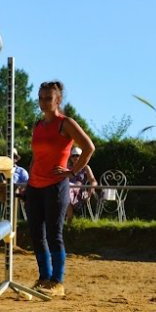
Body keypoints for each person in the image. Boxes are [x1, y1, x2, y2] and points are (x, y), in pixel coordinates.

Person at [26, 80, 94, 297]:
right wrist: (29, 178)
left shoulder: (66, 123)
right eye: (41, 98)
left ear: (58, 100)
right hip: (34, 185)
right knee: (36, 234)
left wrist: (72, 172)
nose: (43, 102)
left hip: (56, 186)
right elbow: (36, 156)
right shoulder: (38, 125)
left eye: (48, 98)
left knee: (54, 233)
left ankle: (57, 281)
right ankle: (43, 278)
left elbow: (88, 148)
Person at [66, 146, 98, 223]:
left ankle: (69, 221)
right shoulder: (67, 167)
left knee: (66, 195)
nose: (75, 157)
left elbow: (93, 181)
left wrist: (90, 192)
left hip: (79, 192)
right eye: (73, 155)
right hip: (67, 189)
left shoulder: (85, 167)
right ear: (70, 157)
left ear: (81, 157)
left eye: (77, 155)